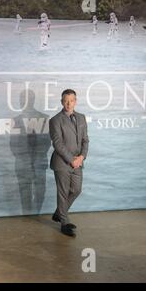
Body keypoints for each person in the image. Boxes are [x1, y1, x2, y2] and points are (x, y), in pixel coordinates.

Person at [49, 89, 89, 237]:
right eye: (66, 100)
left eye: (71, 100)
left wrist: (81, 157)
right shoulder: (55, 120)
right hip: (62, 163)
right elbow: (58, 144)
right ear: (61, 102)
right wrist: (71, 159)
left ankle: (60, 212)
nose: (68, 103)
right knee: (63, 193)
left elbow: (85, 140)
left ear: (75, 101)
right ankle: (64, 224)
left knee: (76, 190)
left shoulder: (81, 118)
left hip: (78, 162)